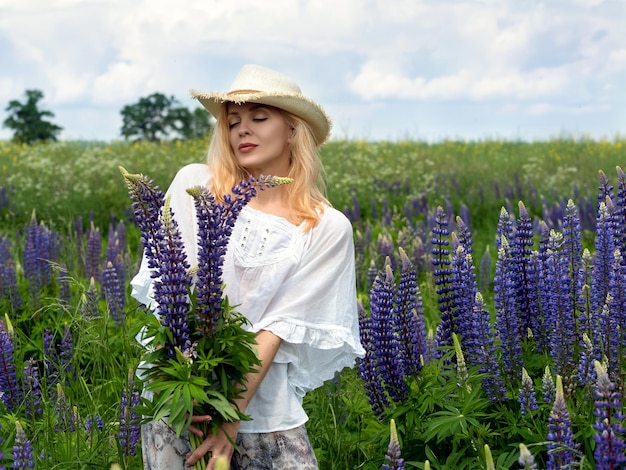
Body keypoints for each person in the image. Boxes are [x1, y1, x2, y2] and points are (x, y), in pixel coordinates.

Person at [130, 64, 365, 470]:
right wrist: (186, 397)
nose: (242, 130)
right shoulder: (196, 186)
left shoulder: (326, 227)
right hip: (181, 407)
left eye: (259, 118)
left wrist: (229, 418)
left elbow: (277, 328)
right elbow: (169, 297)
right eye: (233, 121)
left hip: (264, 415)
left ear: (293, 130)